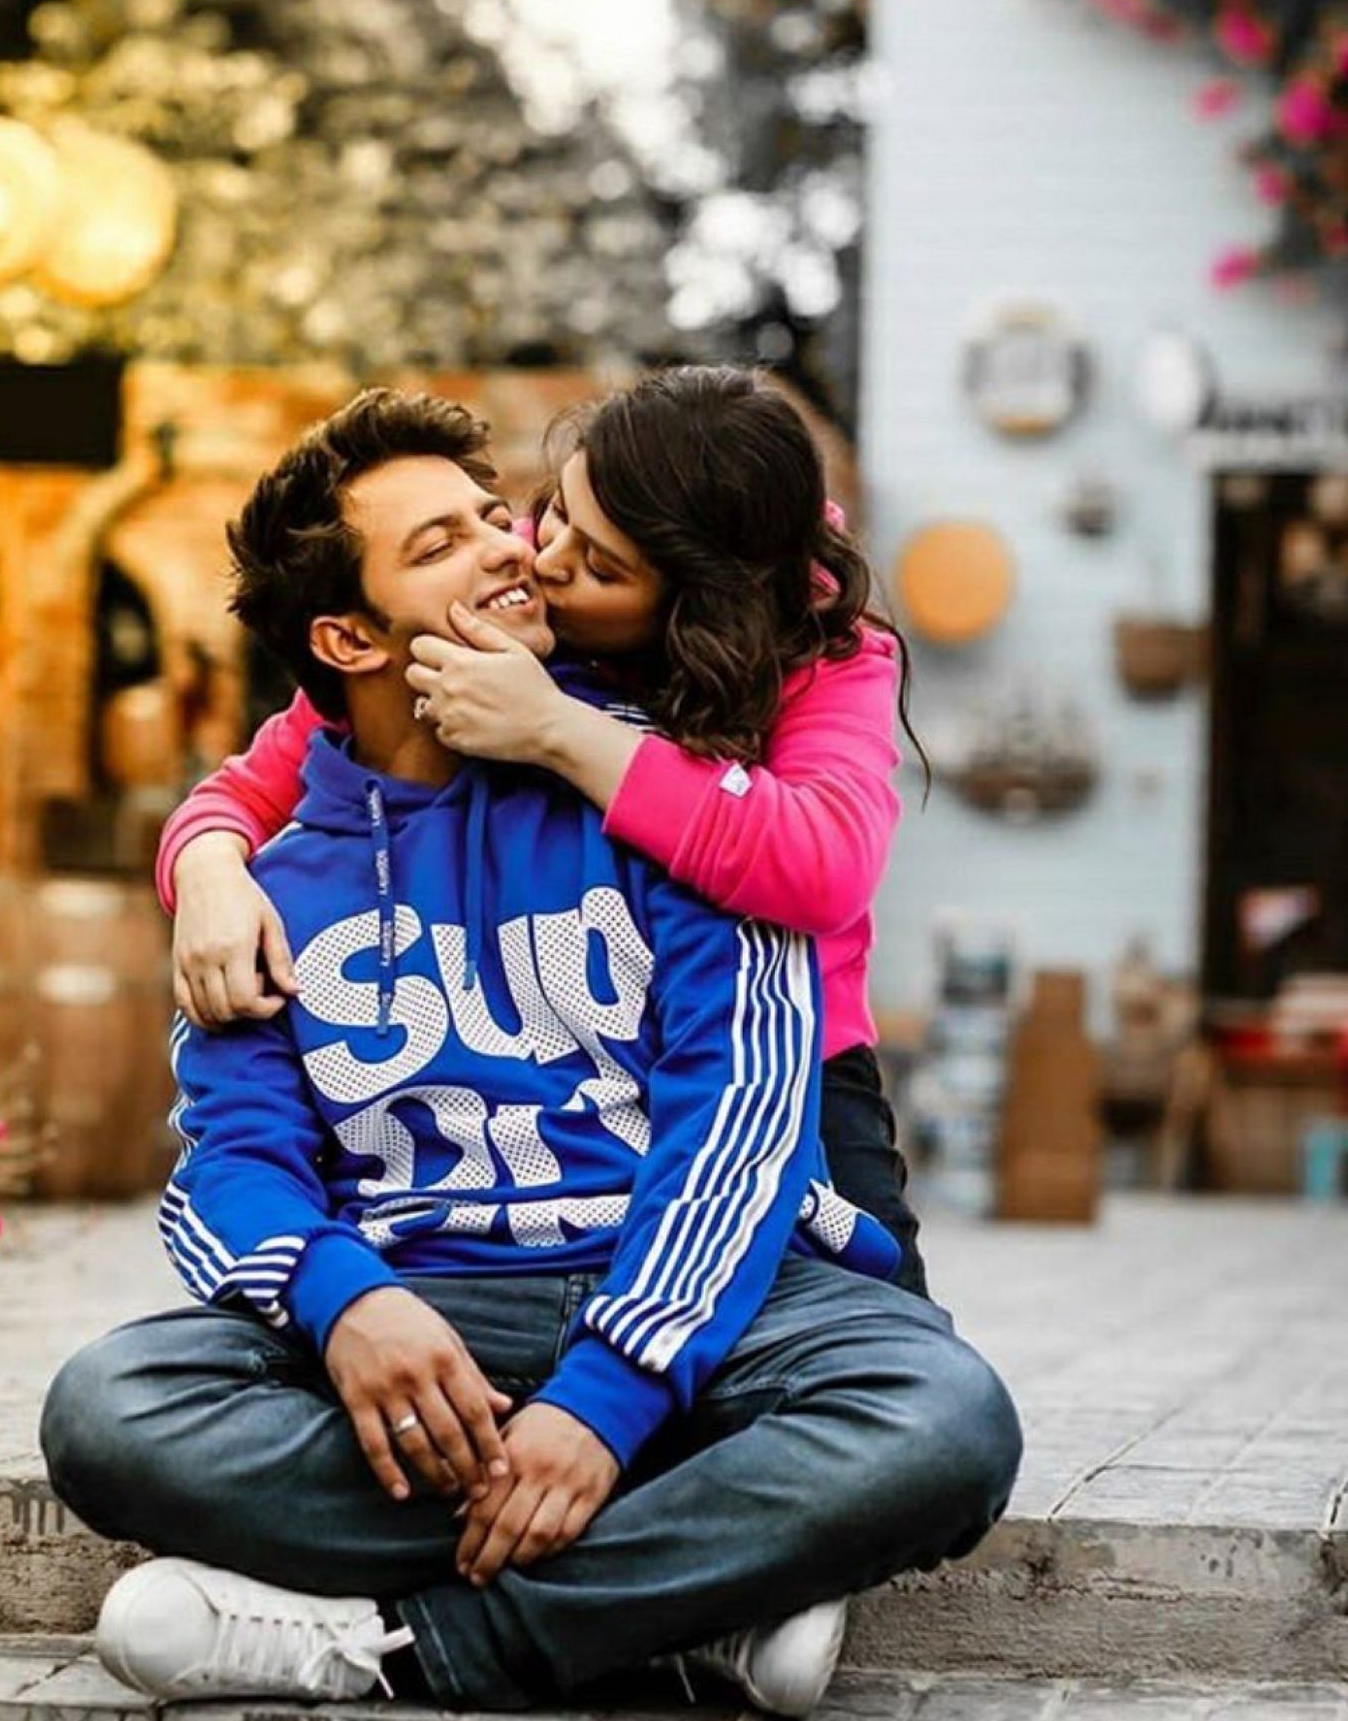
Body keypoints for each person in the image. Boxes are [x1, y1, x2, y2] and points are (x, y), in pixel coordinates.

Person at [42, 389, 1021, 1714]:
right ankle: (691, 1595)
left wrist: (606, 1400)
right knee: (109, 1411)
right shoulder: (276, 886)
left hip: (681, 1257)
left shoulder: (686, 790)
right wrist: (345, 1302)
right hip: (428, 1294)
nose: (518, 550)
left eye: (503, 520)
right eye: (448, 541)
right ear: (350, 636)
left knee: (939, 1417)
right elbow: (230, 1167)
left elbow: (739, 1115)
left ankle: (398, 1646)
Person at [157, 365, 931, 1295]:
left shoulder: (819, 650)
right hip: (531, 1061)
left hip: (780, 1067)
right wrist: (207, 867)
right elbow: (280, 767)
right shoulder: (501, 586)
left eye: (601, 566)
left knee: (896, 1343)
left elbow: (823, 864)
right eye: (551, 512)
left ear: (696, 601)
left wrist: (560, 729)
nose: (542, 561)